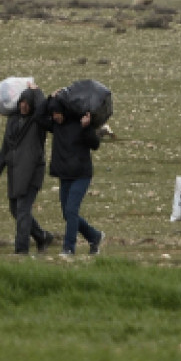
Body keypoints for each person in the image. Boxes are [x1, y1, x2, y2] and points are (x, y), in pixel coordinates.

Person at [0, 85, 56, 254]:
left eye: (27, 103)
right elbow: (6, 147)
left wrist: (37, 91)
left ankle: (21, 250)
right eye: (21, 102)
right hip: (15, 170)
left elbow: (43, 108)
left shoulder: (38, 120)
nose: (24, 106)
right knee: (15, 210)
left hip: (32, 171)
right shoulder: (13, 120)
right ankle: (42, 237)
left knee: (23, 210)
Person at [45, 96, 104, 256]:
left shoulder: (81, 122)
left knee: (71, 210)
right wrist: (49, 97)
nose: (55, 116)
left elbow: (95, 144)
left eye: (57, 112)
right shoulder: (55, 125)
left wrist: (86, 127)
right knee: (67, 213)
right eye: (53, 113)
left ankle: (69, 248)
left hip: (81, 174)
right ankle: (94, 236)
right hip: (64, 175)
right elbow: (38, 115)